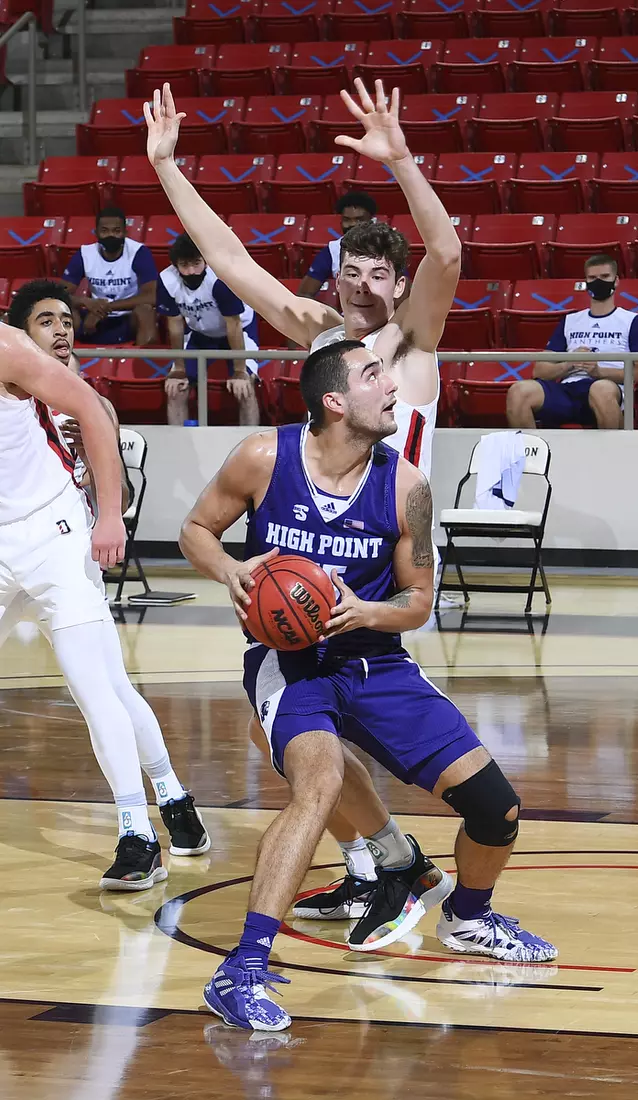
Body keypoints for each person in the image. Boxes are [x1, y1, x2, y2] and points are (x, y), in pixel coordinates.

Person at [144, 79, 459, 914]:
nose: (360, 284)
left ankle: (393, 863)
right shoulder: (322, 337)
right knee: (273, 728)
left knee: (312, 731)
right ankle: (380, 863)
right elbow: (228, 261)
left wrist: (402, 163)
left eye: (377, 274)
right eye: (348, 270)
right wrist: (167, 168)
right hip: (312, 555)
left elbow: (449, 255)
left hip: (384, 561)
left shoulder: (412, 339)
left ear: (398, 285)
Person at [179, 340, 557, 1031]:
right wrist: (230, 570)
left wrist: (365, 612)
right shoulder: (263, 457)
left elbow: (418, 600)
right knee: (317, 784)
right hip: (288, 664)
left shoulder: (405, 485)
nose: (391, 388)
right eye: (372, 376)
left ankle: (466, 920)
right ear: (333, 400)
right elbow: (196, 529)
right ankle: (242, 969)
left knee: (495, 808)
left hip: (376, 658)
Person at [1, 279, 210, 889]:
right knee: (116, 686)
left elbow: (97, 411)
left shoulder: (14, 352)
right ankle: (175, 800)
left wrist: (111, 515)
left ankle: (138, 832)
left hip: (53, 538)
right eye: (50, 320)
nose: (62, 332)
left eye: (66, 321)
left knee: (96, 687)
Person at [506, 254, 638, 430]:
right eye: (592, 278)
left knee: (601, 390)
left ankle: (614, 455)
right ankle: (532, 454)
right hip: (568, 388)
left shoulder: (632, 321)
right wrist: (569, 363)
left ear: (616, 281)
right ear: (586, 282)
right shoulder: (570, 320)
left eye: (605, 277)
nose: (598, 281)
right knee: (518, 392)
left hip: (607, 387)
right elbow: (540, 370)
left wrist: (599, 371)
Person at [158, 232, 260, 426]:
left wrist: (239, 370)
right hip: (199, 334)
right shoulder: (166, 280)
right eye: (184, 265)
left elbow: (234, 324)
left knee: (245, 385)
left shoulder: (219, 279)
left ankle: (251, 443)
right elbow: (175, 325)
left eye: (196, 263)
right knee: (176, 387)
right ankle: (177, 446)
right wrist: (179, 367)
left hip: (239, 330)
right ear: (175, 265)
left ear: (205, 260)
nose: (191, 271)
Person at [62, 206, 158, 347]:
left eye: (116, 231)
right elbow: (59, 294)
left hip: (126, 317)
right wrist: (85, 302)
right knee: (63, 310)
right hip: (93, 316)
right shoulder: (85, 254)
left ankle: (143, 365)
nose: (110, 235)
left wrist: (107, 308)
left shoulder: (139, 252)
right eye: (105, 231)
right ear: (96, 233)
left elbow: (153, 296)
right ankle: (60, 362)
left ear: (125, 232)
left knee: (146, 311)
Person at [297, 191, 378, 299]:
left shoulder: (388, 248)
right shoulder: (332, 250)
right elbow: (304, 295)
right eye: (347, 220)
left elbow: (403, 296)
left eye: (359, 219)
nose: (353, 224)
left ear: (372, 221)